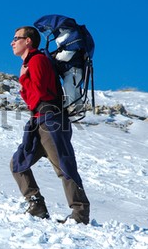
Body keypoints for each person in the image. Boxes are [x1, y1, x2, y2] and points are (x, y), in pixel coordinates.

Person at [10, 26, 90, 224]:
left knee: (64, 166)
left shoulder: (37, 60)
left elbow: (39, 94)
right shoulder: (31, 63)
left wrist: (23, 78)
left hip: (51, 121)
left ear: (28, 41)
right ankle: (36, 205)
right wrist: (24, 79)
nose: (12, 42)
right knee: (18, 163)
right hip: (39, 121)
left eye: (16, 38)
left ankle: (80, 214)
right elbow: (32, 98)